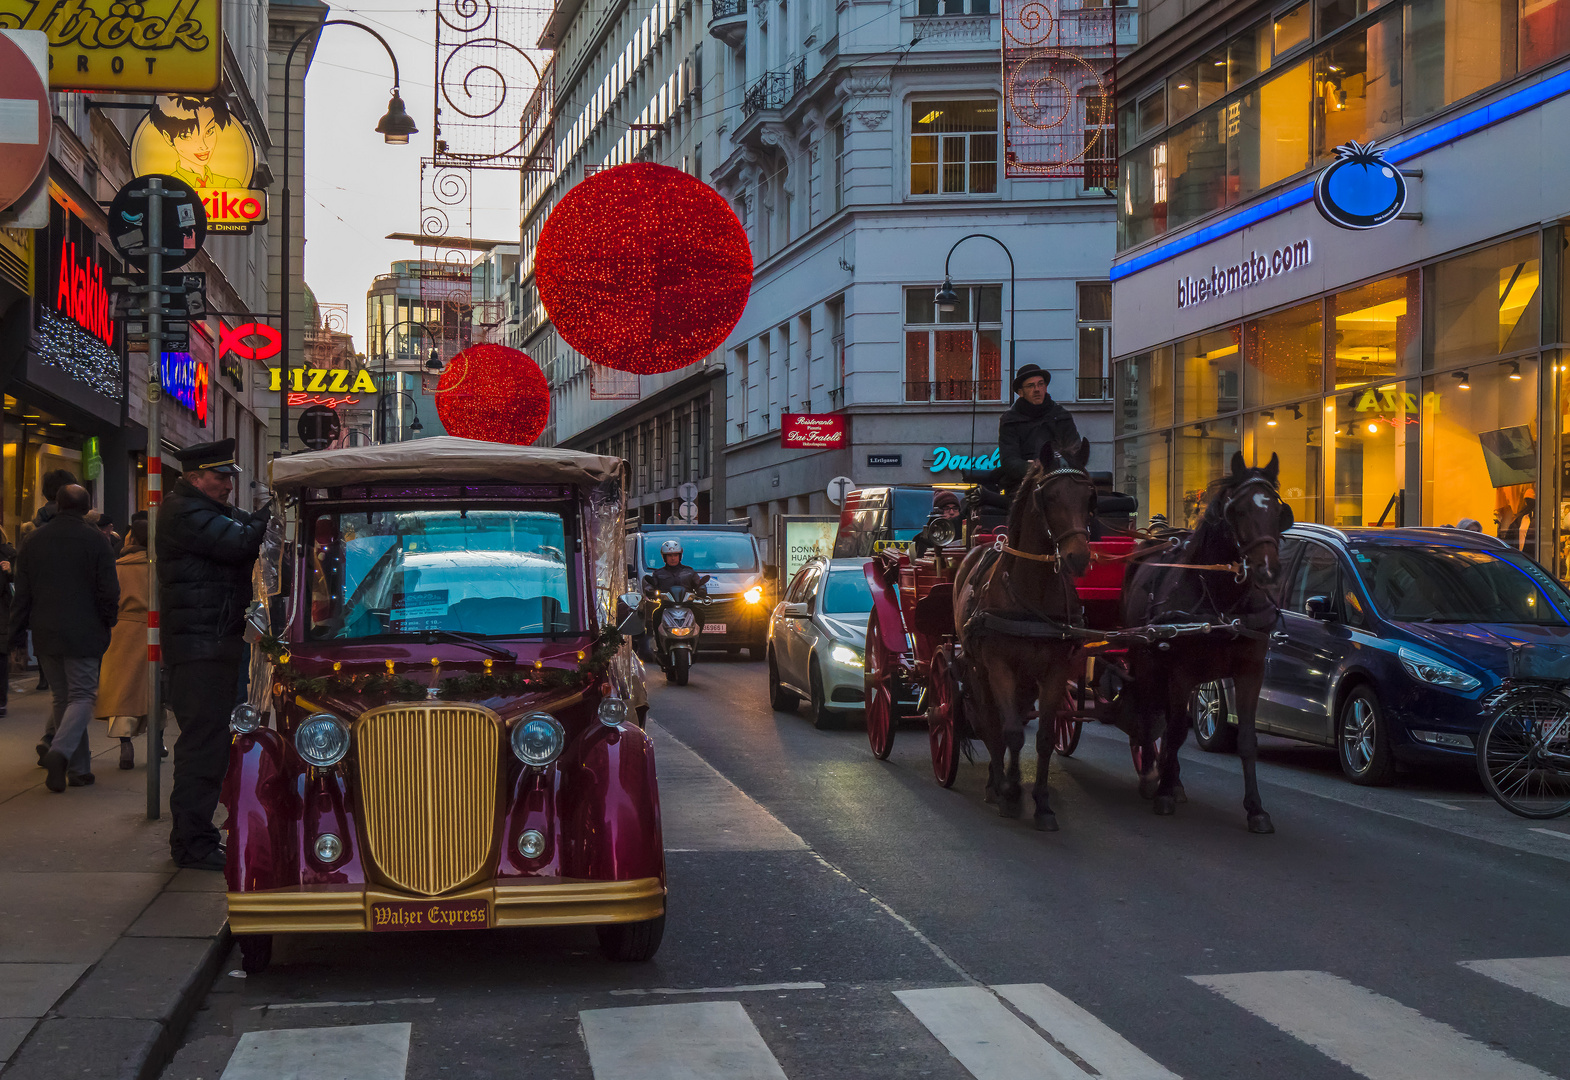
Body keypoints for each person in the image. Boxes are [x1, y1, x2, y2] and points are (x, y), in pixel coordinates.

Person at [158, 440, 270, 870]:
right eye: (220, 477)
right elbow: (242, 543)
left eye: (230, 477)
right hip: (200, 648)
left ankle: (198, 835)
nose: (228, 484)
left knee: (214, 746)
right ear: (194, 477)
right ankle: (191, 843)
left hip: (214, 643)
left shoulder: (205, 512)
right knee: (202, 748)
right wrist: (274, 509)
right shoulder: (183, 513)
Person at [9, 485, 119, 792]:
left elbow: (24, 593)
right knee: (83, 696)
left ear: (57, 505)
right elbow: (109, 590)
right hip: (85, 629)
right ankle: (60, 753)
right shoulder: (97, 541)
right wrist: (109, 620)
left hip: (45, 630)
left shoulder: (33, 540)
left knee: (62, 697)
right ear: (86, 510)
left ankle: (78, 769)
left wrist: (15, 632)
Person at [95, 518, 151, 770]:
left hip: (118, 631)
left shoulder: (115, 566)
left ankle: (124, 744)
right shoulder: (156, 567)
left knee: (121, 690)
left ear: (131, 540)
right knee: (150, 690)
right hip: (150, 631)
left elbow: (104, 597)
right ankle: (157, 740)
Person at [997, 364, 1082, 492]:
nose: (1037, 389)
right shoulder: (1010, 421)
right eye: (1031, 386)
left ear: (1046, 387)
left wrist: (1057, 465)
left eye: (1040, 384)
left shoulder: (1061, 416)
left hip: (1062, 479)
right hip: (1023, 484)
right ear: (1020, 392)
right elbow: (1009, 460)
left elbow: (1075, 449)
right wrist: (1032, 468)